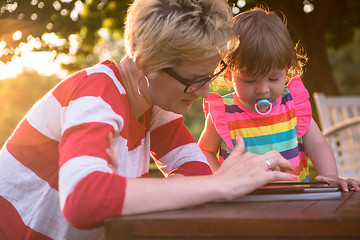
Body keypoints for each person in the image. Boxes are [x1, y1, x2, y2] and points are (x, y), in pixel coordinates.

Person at [0, 1, 298, 240]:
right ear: (145, 64)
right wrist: (221, 184)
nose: (205, 90)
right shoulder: (95, 94)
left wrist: (216, 182)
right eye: (193, 81)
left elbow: (194, 170)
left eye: (210, 76)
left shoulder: (154, 102)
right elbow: (84, 200)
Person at [198, 7, 360, 191]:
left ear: (287, 70)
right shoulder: (223, 113)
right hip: (241, 203)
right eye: (250, 80)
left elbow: (317, 143)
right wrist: (219, 179)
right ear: (229, 74)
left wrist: (330, 177)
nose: (263, 89)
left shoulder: (293, 105)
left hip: (293, 200)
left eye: (273, 78)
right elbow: (205, 151)